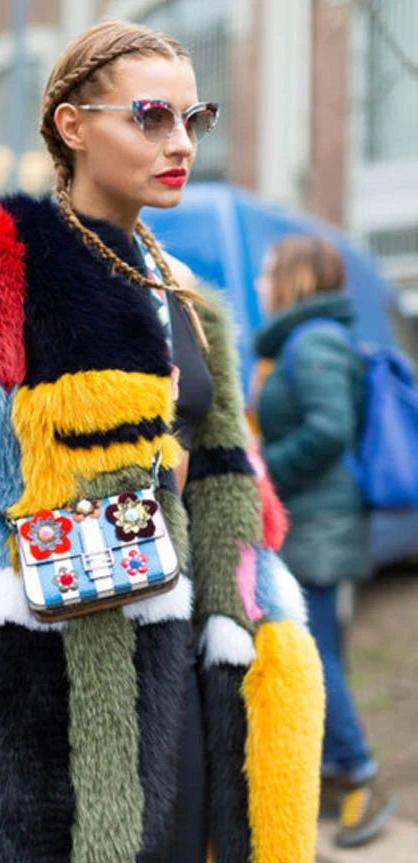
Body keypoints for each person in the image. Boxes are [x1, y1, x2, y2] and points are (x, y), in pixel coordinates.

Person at [0, 21, 324, 863]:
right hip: (31, 681)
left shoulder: (181, 289)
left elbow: (223, 477)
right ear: (72, 126)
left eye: (195, 118)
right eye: (151, 116)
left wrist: (254, 642)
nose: (180, 142)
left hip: (175, 666)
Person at [253, 235, 397, 849]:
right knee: (317, 647)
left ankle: (362, 774)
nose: (261, 284)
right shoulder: (303, 341)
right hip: (315, 519)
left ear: (298, 277)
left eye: (268, 273)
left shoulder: (314, 342)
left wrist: (261, 472)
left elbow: (329, 430)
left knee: (312, 653)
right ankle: (336, 775)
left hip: (320, 522)